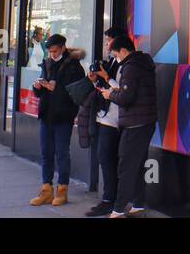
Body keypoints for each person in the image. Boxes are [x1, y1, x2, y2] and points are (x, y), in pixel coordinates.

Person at [99, 34, 156, 218]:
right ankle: (138, 204)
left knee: (126, 167)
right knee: (138, 165)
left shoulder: (130, 67)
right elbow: (131, 93)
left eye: (116, 55)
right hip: (145, 122)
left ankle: (118, 209)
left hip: (134, 124)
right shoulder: (143, 62)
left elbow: (126, 98)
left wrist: (109, 96)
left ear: (123, 51)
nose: (116, 59)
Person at [28, 33, 86, 208]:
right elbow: (41, 91)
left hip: (63, 117)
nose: (52, 54)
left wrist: (56, 88)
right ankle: (46, 190)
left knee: (62, 154)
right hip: (46, 115)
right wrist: (37, 87)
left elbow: (78, 95)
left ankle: (62, 191)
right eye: (50, 51)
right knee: (46, 154)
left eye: (55, 51)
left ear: (63, 48)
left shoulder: (74, 67)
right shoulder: (46, 63)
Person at [82, 27, 123, 217]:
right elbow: (105, 86)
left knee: (107, 158)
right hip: (103, 115)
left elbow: (123, 91)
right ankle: (108, 198)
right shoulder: (113, 62)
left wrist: (106, 77)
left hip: (114, 118)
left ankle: (110, 200)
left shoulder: (125, 64)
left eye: (109, 41)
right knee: (103, 158)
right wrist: (95, 80)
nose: (106, 44)